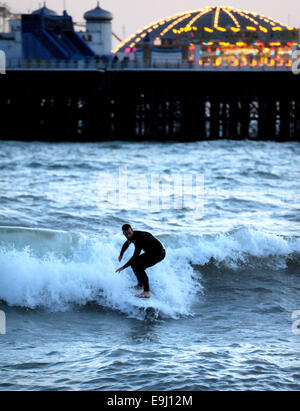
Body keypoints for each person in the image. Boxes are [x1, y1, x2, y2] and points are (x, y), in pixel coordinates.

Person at [115, 224, 166, 298]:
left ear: (132, 230)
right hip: (151, 252)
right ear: (123, 233)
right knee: (134, 264)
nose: (128, 235)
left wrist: (123, 267)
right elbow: (127, 243)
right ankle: (140, 285)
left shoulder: (139, 239)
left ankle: (146, 292)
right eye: (126, 234)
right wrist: (121, 254)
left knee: (139, 267)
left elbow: (135, 257)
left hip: (159, 254)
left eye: (129, 233)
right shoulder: (133, 235)